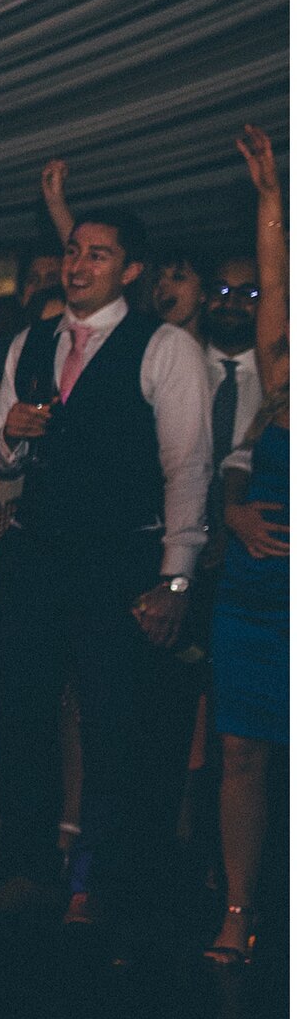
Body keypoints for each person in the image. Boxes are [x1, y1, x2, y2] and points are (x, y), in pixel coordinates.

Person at [0, 204, 212, 937]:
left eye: (98, 255)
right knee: (19, 714)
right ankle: (28, 868)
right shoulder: (31, 340)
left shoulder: (163, 346)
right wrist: (9, 438)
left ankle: (95, 881)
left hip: (118, 557)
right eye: (73, 251)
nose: (77, 266)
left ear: (130, 269)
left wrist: (175, 577)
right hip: (37, 551)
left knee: (112, 726)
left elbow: (188, 466)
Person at [206, 124, 287, 965]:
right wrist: (270, 199)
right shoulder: (282, 375)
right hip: (259, 588)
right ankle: (236, 907)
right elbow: (270, 280)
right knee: (240, 749)